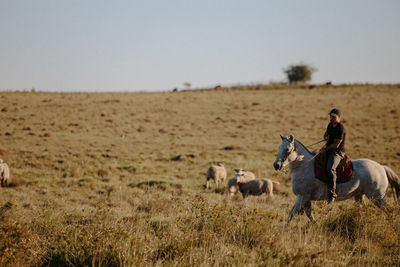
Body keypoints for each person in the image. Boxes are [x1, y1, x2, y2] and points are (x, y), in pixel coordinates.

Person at [323, 108, 346, 203]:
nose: (331, 118)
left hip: (337, 152)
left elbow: (336, 144)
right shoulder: (329, 125)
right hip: (328, 150)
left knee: (330, 168)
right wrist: (326, 137)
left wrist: (325, 149)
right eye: (330, 116)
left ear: (339, 117)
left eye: (333, 117)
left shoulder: (340, 128)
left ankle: (332, 191)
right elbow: (325, 135)